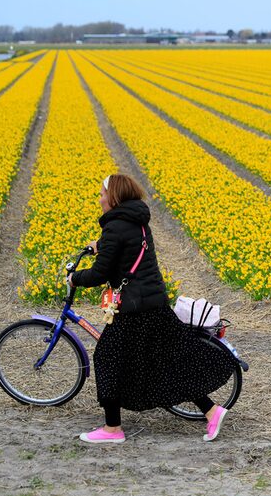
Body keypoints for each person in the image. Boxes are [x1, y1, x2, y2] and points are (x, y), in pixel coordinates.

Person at [67, 174, 238, 444]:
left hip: (134, 308)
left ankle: (112, 429)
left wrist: (75, 278)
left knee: (106, 358)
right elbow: (125, 249)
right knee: (166, 362)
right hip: (153, 302)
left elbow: (101, 273)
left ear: (114, 197)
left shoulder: (115, 227)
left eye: (102, 194)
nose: (99, 199)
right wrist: (100, 246)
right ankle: (212, 411)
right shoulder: (138, 221)